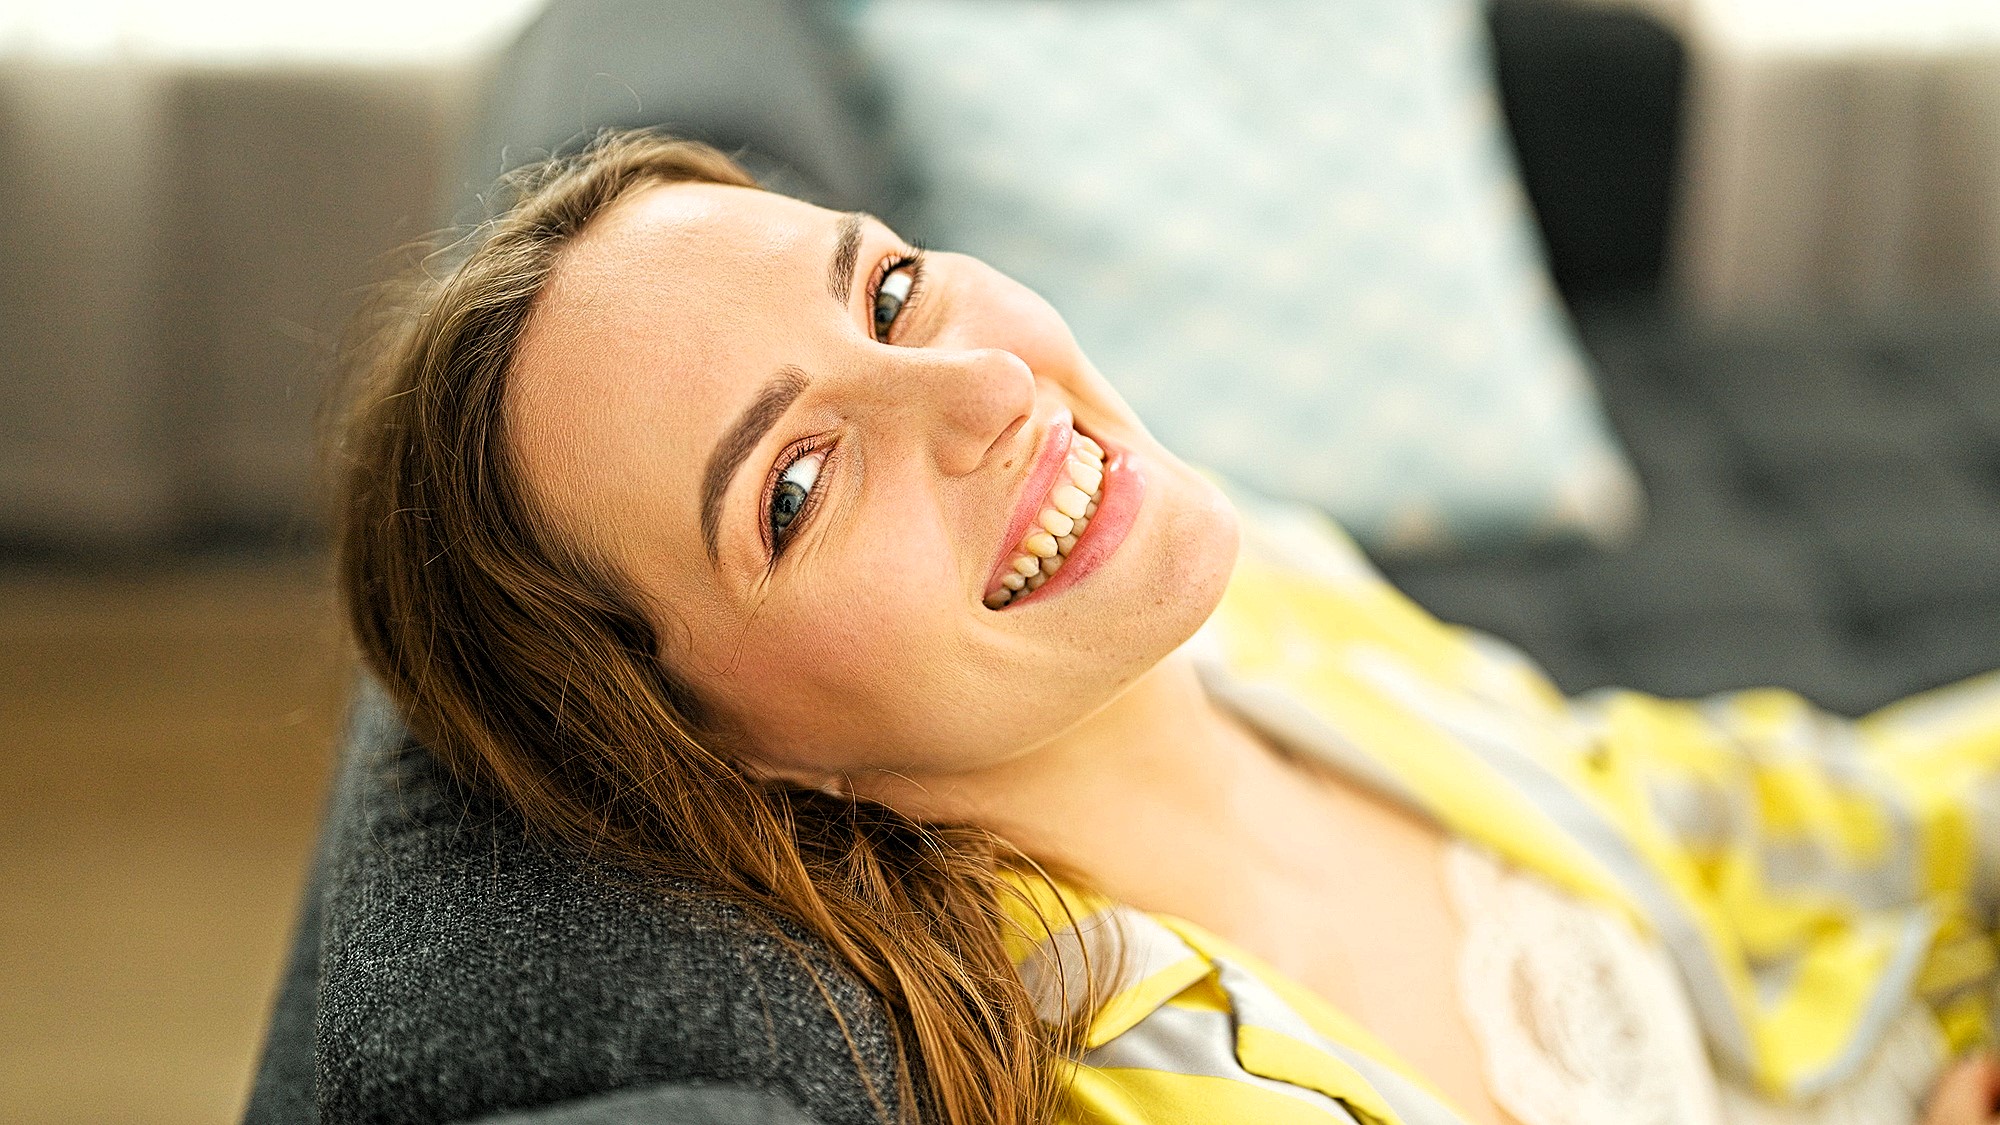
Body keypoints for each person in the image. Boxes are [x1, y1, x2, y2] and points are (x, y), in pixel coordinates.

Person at [336, 129, 2000, 1125]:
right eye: (793, 485)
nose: (986, 384)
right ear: (714, 741)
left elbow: (1709, 802)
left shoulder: (1263, 598)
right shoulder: (1135, 1083)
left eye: (889, 291)